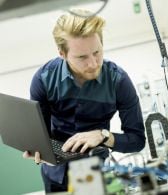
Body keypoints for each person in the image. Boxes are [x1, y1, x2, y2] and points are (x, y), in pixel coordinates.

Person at [23, 9, 146, 193]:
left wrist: (104, 136)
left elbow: (137, 140)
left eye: (97, 52)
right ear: (62, 54)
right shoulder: (43, 79)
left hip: (94, 174)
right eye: (81, 57)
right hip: (53, 174)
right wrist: (36, 147)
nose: (93, 64)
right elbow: (41, 134)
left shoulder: (118, 81)